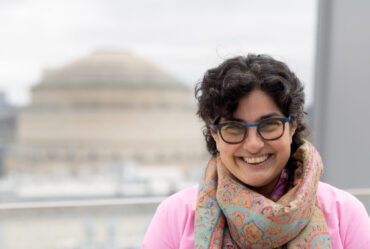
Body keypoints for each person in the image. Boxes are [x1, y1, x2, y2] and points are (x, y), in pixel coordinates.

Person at [141, 54, 370, 249]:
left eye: (269, 125)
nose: (253, 144)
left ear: (291, 127)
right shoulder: (176, 216)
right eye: (233, 128)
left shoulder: (344, 214)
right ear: (214, 134)